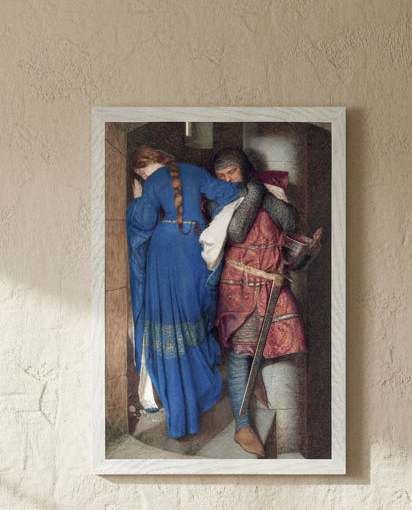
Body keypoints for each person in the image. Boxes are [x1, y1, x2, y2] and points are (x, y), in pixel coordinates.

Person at [126, 146, 241, 440]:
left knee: (168, 319)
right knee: (194, 314)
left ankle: (177, 406)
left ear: (154, 164)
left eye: (143, 168)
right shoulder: (195, 172)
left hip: (163, 250)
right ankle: (197, 387)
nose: (142, 174)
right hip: (191, 248)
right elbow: (230, 194)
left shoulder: (151, 183)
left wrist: (139, 201)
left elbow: (143, 222)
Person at [212, 148, 308, 458]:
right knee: (240, 356)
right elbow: (237, 231)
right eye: (222, 176)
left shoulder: (267, 189)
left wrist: (260, 192)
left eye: (233, 174)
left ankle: (276, 416)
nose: (228, 180)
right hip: (238, 286)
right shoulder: (217, 198)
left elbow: (289, 221)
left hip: (271, 283)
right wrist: (251, 193)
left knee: (280, 350)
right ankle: (243, 425)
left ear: (245, 168)